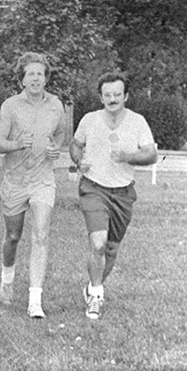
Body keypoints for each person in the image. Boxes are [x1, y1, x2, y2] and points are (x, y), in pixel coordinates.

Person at [69, 72, 156, 320]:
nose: (112, 99)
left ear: (126, 96)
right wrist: (79, 159)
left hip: (123, 192)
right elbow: (75, 145)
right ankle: (96, 296)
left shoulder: (137, 122)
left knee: (111, 249)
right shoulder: (89, 120)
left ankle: (91, 285)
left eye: (117, 94)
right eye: (107, 95)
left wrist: (128, 156)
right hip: (94, 188)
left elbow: (150, 155)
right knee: (98, 243)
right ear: (101, 97)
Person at [0, 52, 65, 319]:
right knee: (13, 236)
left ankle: (35, 300)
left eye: (40, 73)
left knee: (41, 234)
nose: (35, 78)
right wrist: (15, 145)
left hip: (43, 179)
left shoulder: (56, 105)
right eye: (30, 74)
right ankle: (7, 277)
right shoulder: (10, 106)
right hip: (15, 180)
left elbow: (60, 133)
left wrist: (55, 148)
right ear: (22, 79)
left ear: (46, 78)